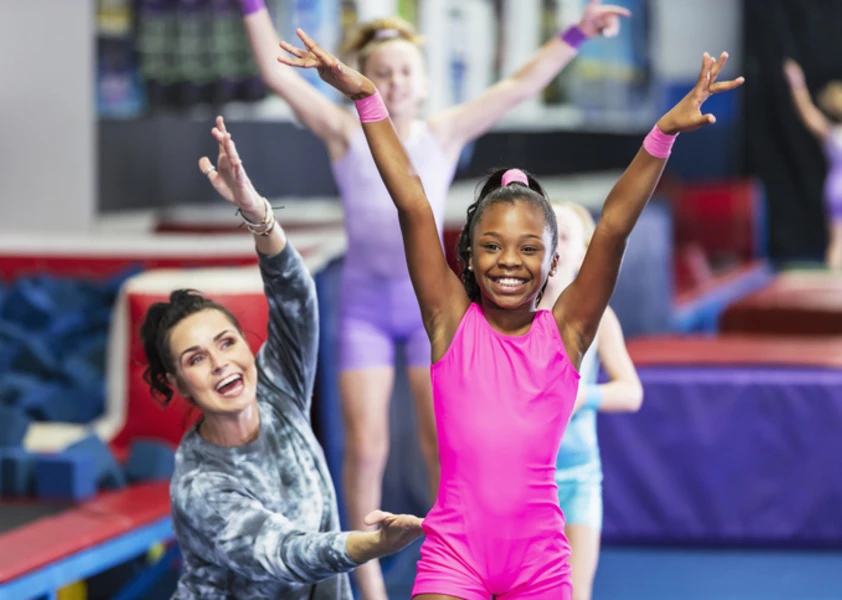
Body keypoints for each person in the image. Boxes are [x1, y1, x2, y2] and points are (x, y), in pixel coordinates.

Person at [280, 29, 743, 599]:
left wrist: (662, 134)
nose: (509, 262)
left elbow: (616, 226)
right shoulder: (448, 320)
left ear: (553, 264)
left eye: (529, 249)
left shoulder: (570, 332)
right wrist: (367, 101)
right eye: (492, 245)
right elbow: (412, 202)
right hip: (454, 553)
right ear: (468, 255)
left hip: (541, 560)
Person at [237, 2, 631, 596]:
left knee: (440, 445)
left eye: (405, 71)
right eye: (382, 71)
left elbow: (522, 84)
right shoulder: (347, 128)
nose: (394, 81)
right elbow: (274, 73)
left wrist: (577, 31)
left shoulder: (444, 131)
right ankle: (367, 586)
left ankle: (459, 560)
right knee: (366, 447)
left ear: (425, 83)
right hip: (367, 307)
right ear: (363, 76)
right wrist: (251, 8)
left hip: (437, 317)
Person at [140, 116, 423, 600]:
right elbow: (285, 554)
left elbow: (295, 294)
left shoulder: (277, 391)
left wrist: (255, 212)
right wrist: (373, 544)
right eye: (196, 359)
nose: (221, 363)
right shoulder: (200, 484)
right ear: (179, 384)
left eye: (227, 342)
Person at [538, 202, 643, 600]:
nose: (556, 244)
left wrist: (585, 396)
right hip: (529, 480)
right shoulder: (517, 317)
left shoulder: (600, 319)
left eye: (565, 235)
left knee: (574, 590)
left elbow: (631, 391)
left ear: (582, 253)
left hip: (580, 478)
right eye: (548, 235)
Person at [783, 58, 842, 269]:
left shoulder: (830, 133)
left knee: (837, 242)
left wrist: (796, 82)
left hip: (836, 187)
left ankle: (834, 289)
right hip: (836, 186)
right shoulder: (831, 132)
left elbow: (806, 111)